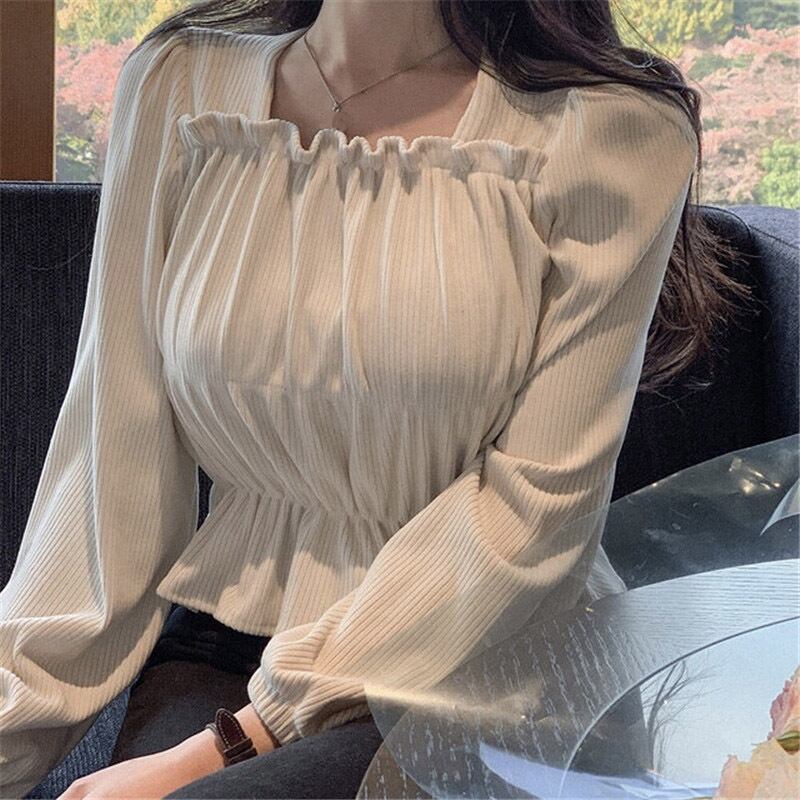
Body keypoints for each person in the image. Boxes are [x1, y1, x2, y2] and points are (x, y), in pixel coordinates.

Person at [1, 0, 728, 797]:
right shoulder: (178, 83)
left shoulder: (613, 130)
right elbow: (110, 463)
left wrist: (236, 740)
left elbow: (538, 505)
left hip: (493, 662)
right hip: (228, 638)